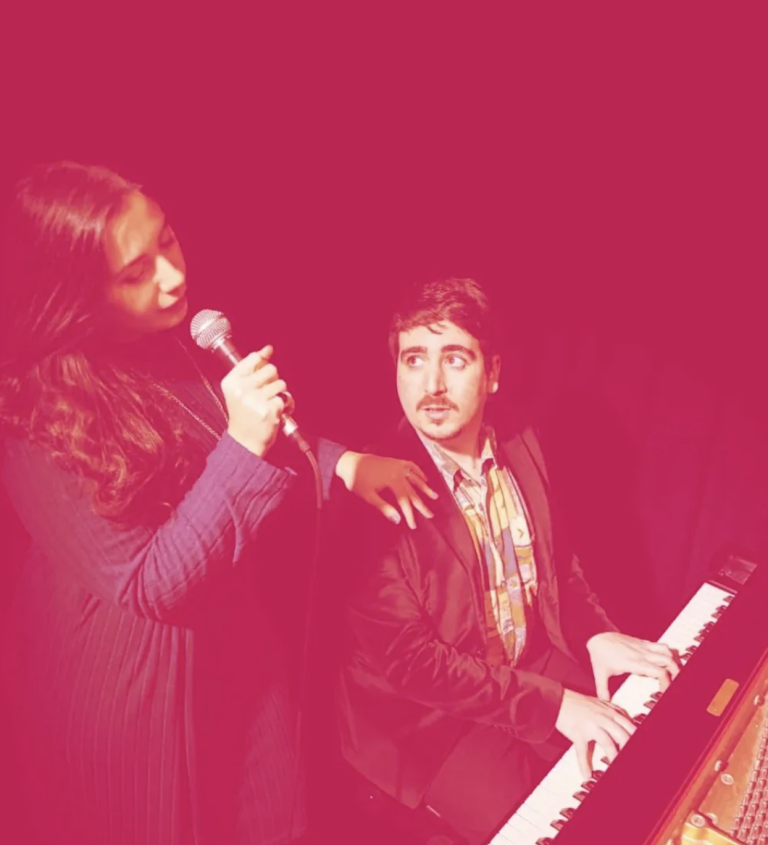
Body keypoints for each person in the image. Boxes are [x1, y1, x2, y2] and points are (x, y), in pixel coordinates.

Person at [0, 161, 439, 845]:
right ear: (77, 296)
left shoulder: (176, 336)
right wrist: (243, 442)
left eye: (167, 239)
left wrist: (343, 462)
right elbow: (151, 583)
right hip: (131, 679)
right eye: (135, 273)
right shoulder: (33, 414)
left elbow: (228, 435)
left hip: (232, 642)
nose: (173, 276)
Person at [336, 277, 680, 845]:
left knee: (648, 752)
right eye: (414, 359)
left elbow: (558, 567)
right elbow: (412, 665)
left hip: (527, 663)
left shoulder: (520, 439)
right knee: (562, 826)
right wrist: (554, 707)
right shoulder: (372, 491)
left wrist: (595, 634)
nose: (432, 384)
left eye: (455, 358)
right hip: (429, 722)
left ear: (492, 372)